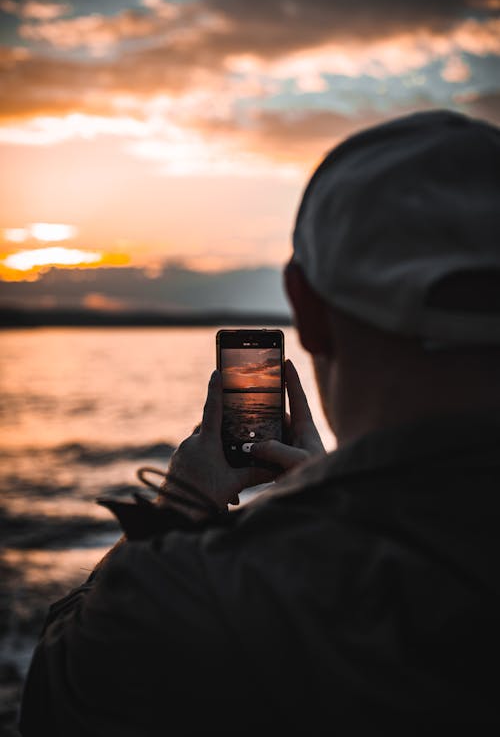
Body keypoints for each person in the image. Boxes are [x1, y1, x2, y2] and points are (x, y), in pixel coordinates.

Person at [19, 110, 500, 734]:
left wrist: (180, 510)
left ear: (306, 308)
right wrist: (329, 488)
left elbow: (60, 701)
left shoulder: (196, 598)